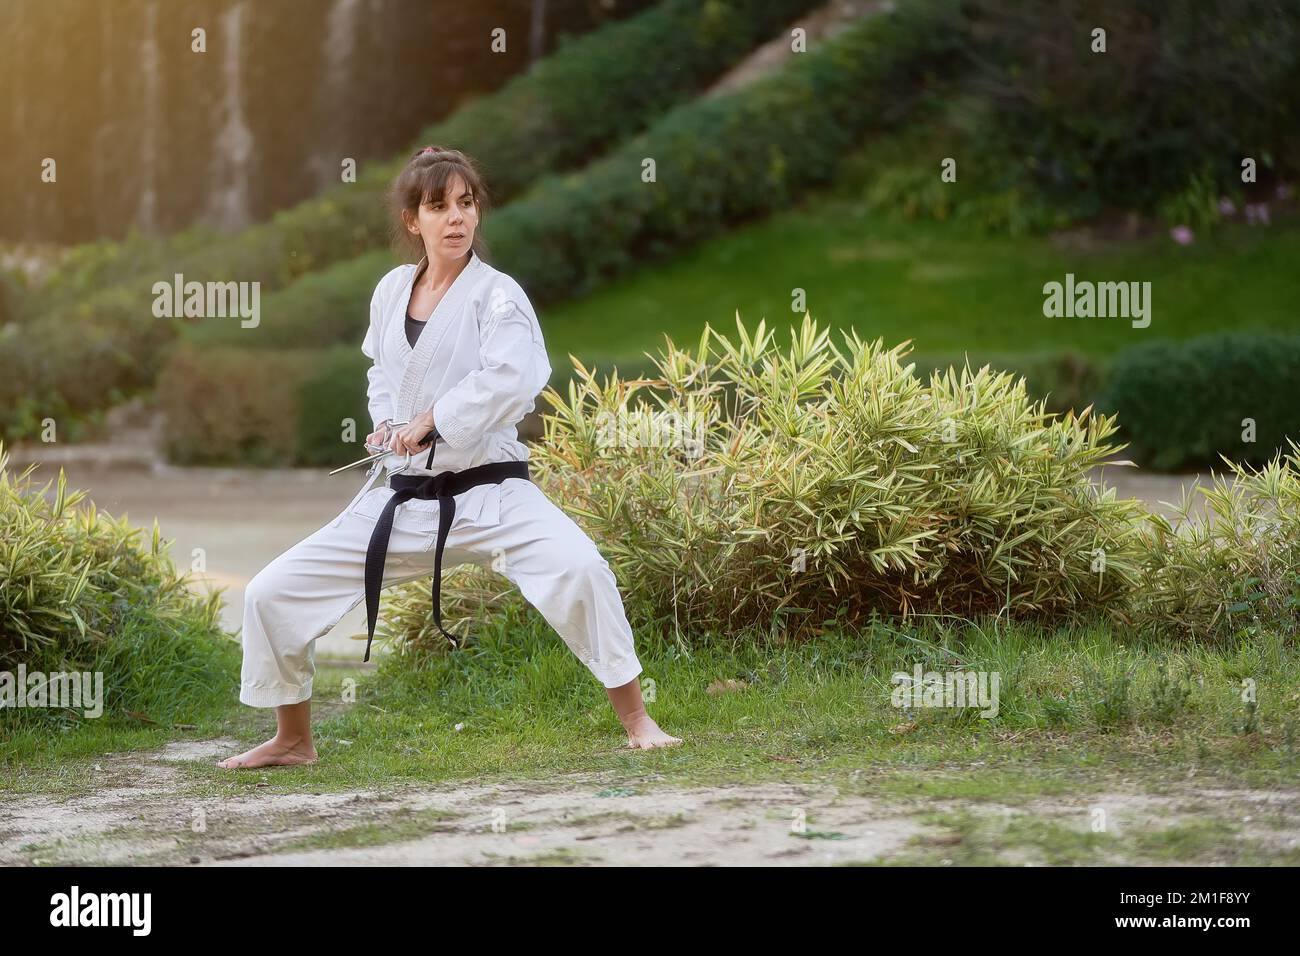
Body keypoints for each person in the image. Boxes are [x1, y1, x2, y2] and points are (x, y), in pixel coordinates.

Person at [218, 146, 680, 769]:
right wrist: (387, 425)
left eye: (467, 204)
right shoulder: (390, 292)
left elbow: (515, 378)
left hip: (492, 493)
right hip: (403, 497)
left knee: (581, 570)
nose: (457, 218)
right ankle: (294, 740)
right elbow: (382, 372)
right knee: (270, 592)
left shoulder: (497, 295)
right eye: (439, 207)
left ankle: (637, 718)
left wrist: (433, 419)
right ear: (414, 221)